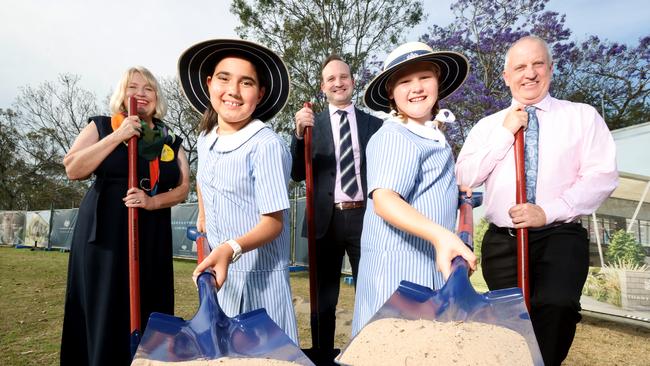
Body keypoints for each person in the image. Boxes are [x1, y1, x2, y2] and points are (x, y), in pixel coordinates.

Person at [456, 35, 618, 366]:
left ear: (550, 69)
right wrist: (506, 133)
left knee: (557, 306)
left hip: (559, 234)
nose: (529, 73)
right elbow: (465, 177)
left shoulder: (582, 117)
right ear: (506, 76)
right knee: (509, 323)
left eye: (537, 64)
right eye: (520, 67)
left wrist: (547, 212)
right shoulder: (488, 127)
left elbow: (602, 177)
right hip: (504, 241)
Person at [60, 66, 190, 366]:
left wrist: (152, 201)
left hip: (151, 231)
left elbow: (183, 188)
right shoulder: (103, 125)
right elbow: (73, 168)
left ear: (156, 97)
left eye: (148, 89)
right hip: (105, 232)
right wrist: (117, 136)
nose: (140, 94)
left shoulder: (169, 139)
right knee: (105, 305)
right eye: (133, 88)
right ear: (122, 93)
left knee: (149, 303)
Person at [351, 41, 477, 336]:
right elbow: (385, 199)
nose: (416, 87)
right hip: (398, 273)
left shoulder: (429, 134)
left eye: (424, 78)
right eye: (405, 81)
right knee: (391, 349)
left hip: (423, 266)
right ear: (391, 95)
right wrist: (442, 236)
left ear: (438, 83)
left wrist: (451, 191)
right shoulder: (396, 135)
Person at [183, 39, 299, 344]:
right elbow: (202, 179)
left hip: (261, 284)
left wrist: (228, 249)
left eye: (246, 82)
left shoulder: (266, 145)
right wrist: (205, 216)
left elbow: (273, 223)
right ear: (210, 84)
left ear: (259, 94)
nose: (233, 90)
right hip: (223, 279)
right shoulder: (206, 138)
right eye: (224, 78)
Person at [290, 55, 383, 353]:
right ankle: (321, 355)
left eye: (343, 77)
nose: (338, 82)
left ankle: (369, 354)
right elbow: (295, 173)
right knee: (323, 300)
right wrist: (297, 136)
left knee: (371, 294)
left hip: (365, 218)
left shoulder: (375, 124)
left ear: (353, 82)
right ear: (323, 87)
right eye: (331, 79)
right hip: (325, 221)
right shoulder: (310, 125)